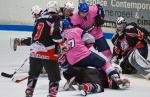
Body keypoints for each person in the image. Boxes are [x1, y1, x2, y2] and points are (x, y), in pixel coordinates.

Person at [59, 19, 130, 96]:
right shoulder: (77, 30)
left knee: (77, 70)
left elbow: (61, 56)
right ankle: (115, 77)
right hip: (84, 57)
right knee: (104, 63)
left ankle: (72, 77)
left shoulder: (60, 37)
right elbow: (91, 40)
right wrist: (85, 47)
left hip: (72, 62)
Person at [25, 1, 62, 97]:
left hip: (34, 52)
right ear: (57, 10)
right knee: (55, 78)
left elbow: (34, 36)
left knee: (33, 75)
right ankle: (52, 94)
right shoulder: (56, 18)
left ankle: (29, 92)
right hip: (48, 52)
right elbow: (56, 36)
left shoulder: (39, 19)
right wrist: (63, 42)